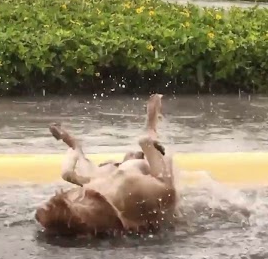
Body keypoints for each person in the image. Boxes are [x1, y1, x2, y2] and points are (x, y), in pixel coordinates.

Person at [35, 93, 178, 236]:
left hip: (106, 203)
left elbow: (79, 172)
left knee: (85, 174)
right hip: (128, 200)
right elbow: (168, 188)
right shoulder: (130, 183)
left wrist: (72, 145)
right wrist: (148, 138)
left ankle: (75, 149)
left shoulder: (101, 180)